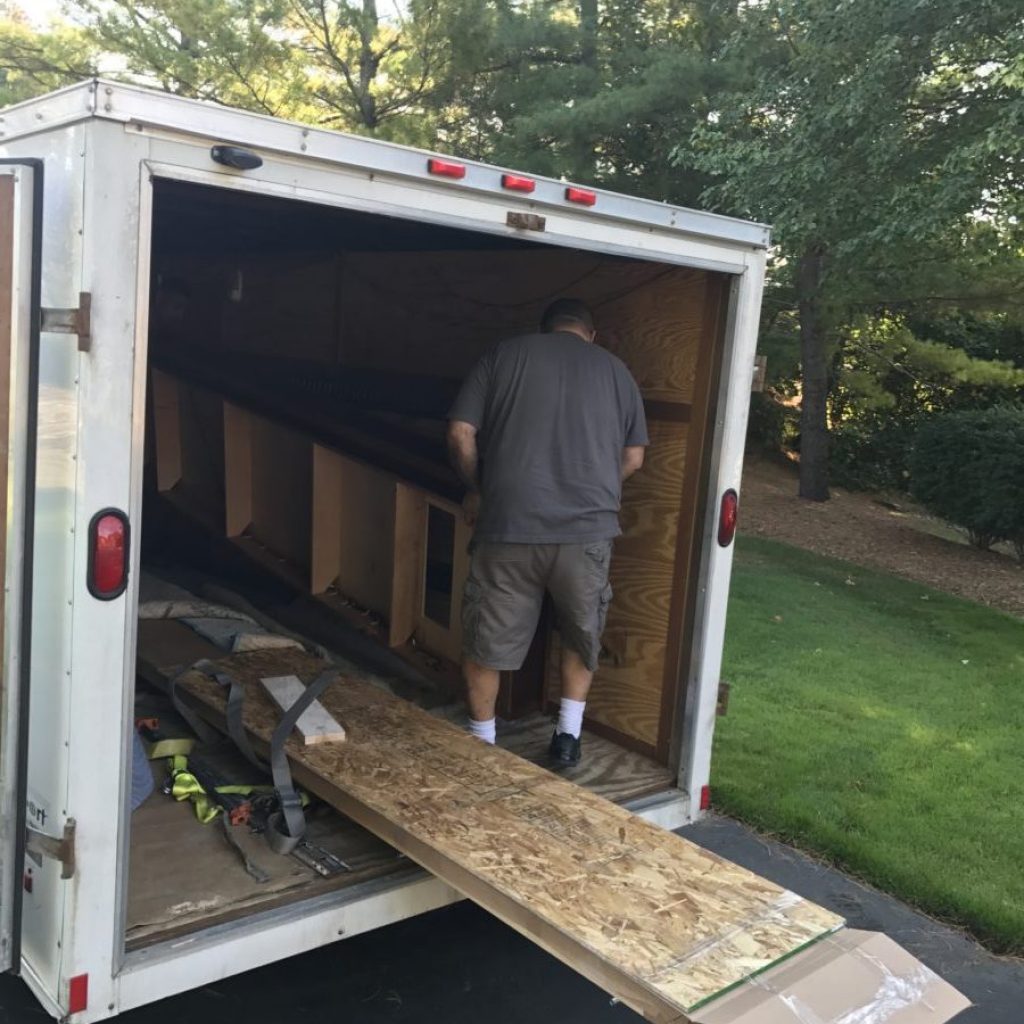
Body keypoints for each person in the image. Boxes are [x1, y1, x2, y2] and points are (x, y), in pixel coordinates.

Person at [446, 297, 648, 766]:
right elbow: (634, 457)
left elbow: (460, 433)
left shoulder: (504, 354)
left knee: (487, 640)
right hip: (586, 534)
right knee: (580, 633)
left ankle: (482, 742)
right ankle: (567, 738)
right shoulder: (617, 371)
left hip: (509, 526)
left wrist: (479, 489)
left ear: (545, 329)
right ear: (590, 334)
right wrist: (595, 489)